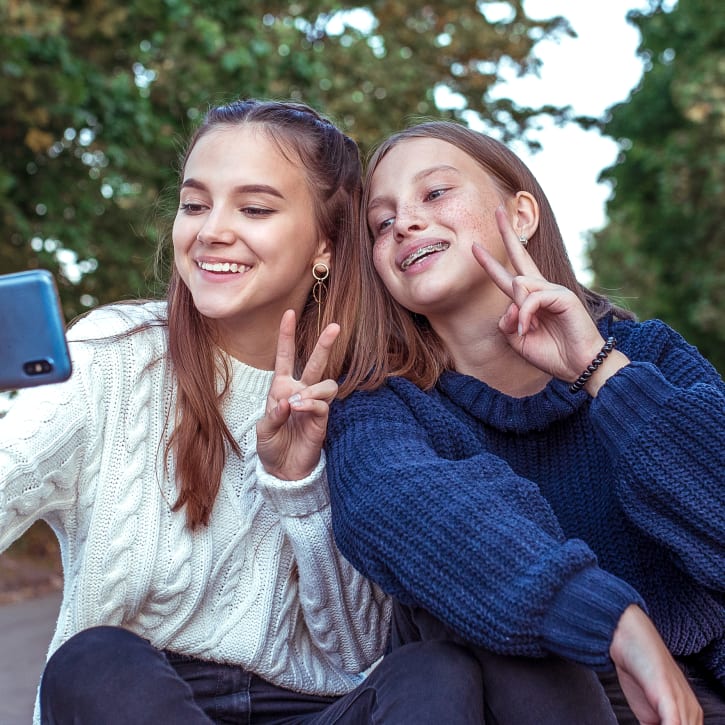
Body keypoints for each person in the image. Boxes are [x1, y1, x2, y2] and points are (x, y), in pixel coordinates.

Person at [0, 101, 486, 725]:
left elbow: (357, 649)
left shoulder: (371, 392)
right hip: (142, 699)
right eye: (195, 205)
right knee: (92, 660)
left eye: (254, 209)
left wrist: (297, 487)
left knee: (435, 671)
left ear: (326, 247)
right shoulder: (111, 358)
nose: (210, 231)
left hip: (315, 709)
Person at [325, 120, 725, 724]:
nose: (404, 222)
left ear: (521, 215)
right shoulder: (381, 405)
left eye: (434, 194)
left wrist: (600, 372)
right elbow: (407, 511)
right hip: (535, 697)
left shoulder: (647, 357)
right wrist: (610, 617)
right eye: (381, 223)